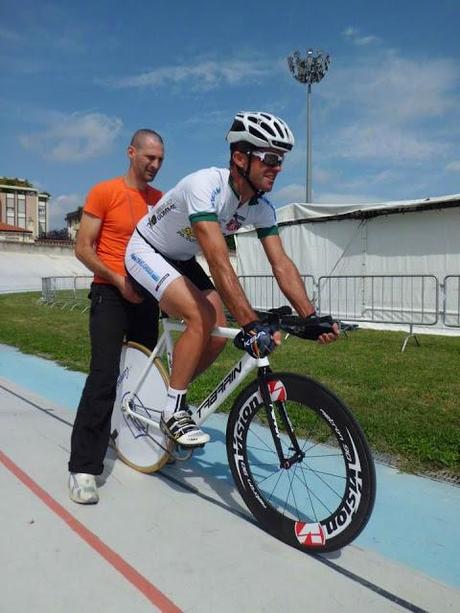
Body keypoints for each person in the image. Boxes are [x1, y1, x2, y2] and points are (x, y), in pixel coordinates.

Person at [125, 111, 339, 449]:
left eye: (281, 160)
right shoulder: (204, 186)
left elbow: (281, 264)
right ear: (240, 158)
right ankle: (172, 410)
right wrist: (251, 324)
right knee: (201, 316)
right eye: (270, 158)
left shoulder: (261, 207)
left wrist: (310, 316)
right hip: (146, 250)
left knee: (219, 332)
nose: (278, 167)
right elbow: (218, 261)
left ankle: (168, 390)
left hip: (180, 258)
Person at [68, 129, 165, 504]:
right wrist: (117, 279)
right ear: (131, 153)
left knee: (147, 375)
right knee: (105, 374)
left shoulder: (161, 201)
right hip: (109, 292)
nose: (154, 165)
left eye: (160, 160)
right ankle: (83, 467)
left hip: (146, 296)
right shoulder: (104, 192)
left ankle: (145, 443)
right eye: (149, 158)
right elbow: (82, 247)